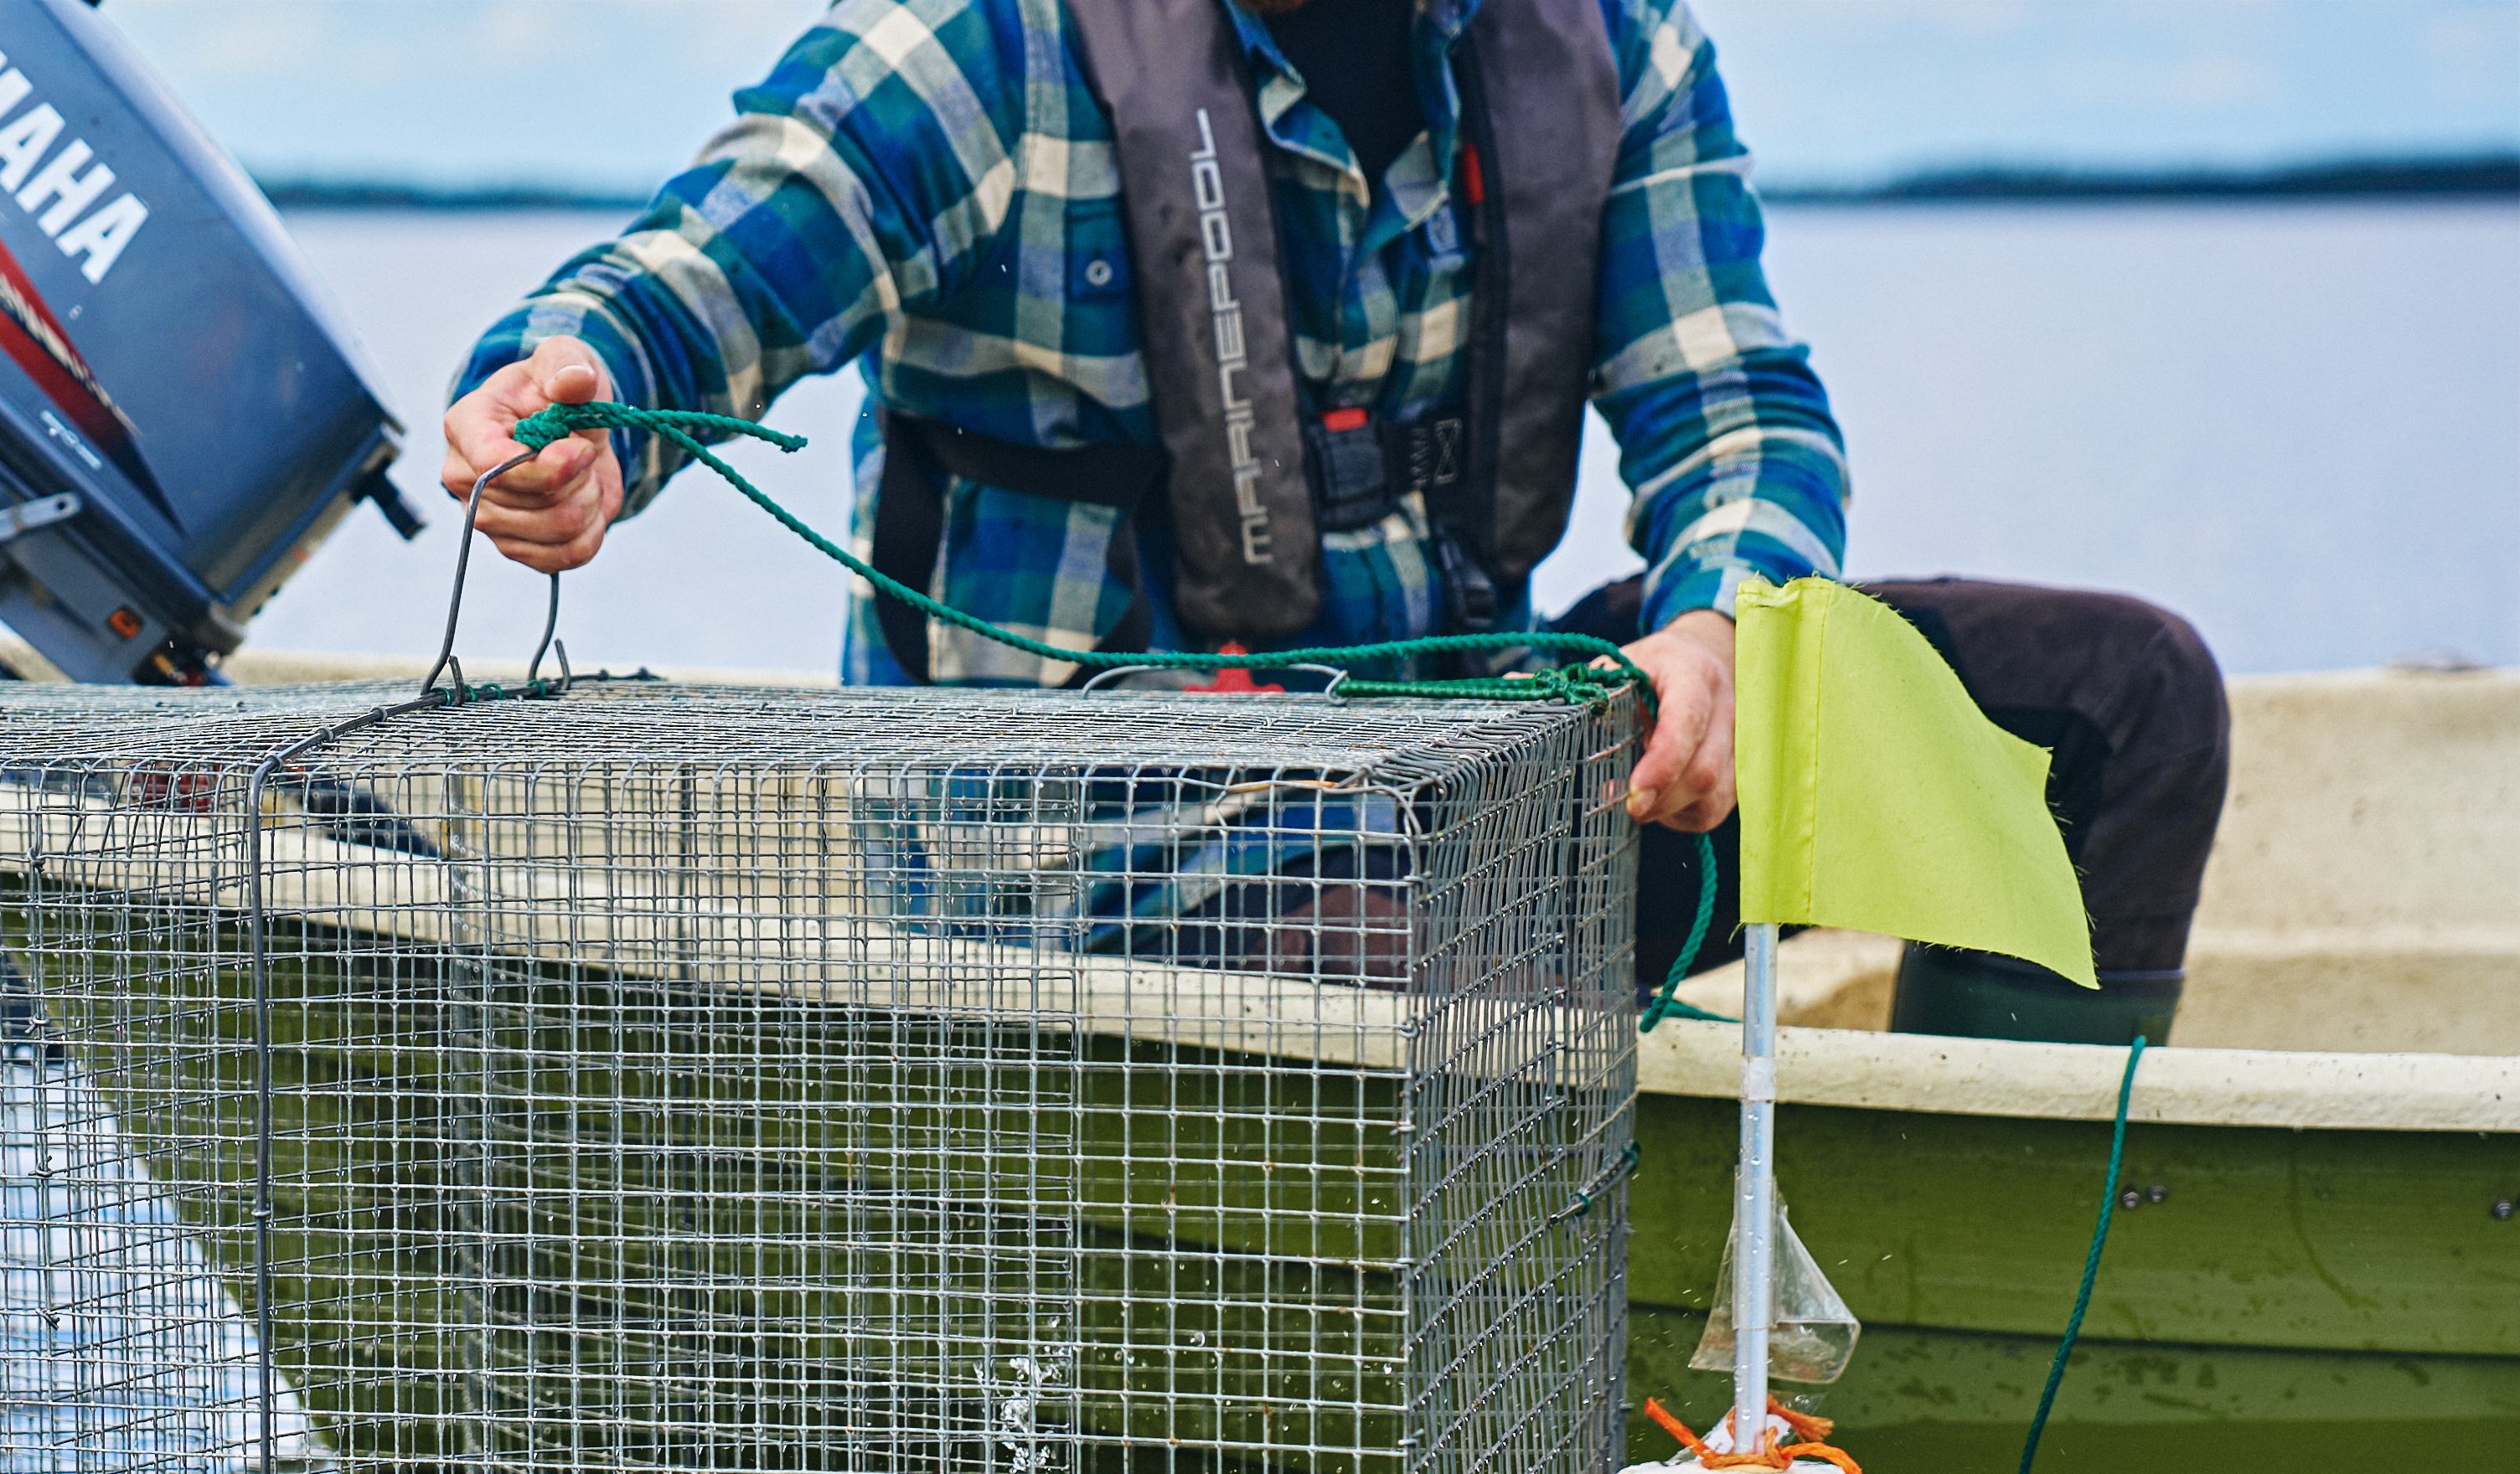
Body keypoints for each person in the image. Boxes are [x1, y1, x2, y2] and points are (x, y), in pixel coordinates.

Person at [438, 0, 2225, 1043]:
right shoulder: (985, 50)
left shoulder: (1614, 46)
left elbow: (1730, 402)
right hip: (1115, 887)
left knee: (2121, 695)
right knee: (1443, 974)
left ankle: (1950, 1300)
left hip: (1486, 794)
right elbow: (688, 283)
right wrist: (568, 398)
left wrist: (1718, 628)